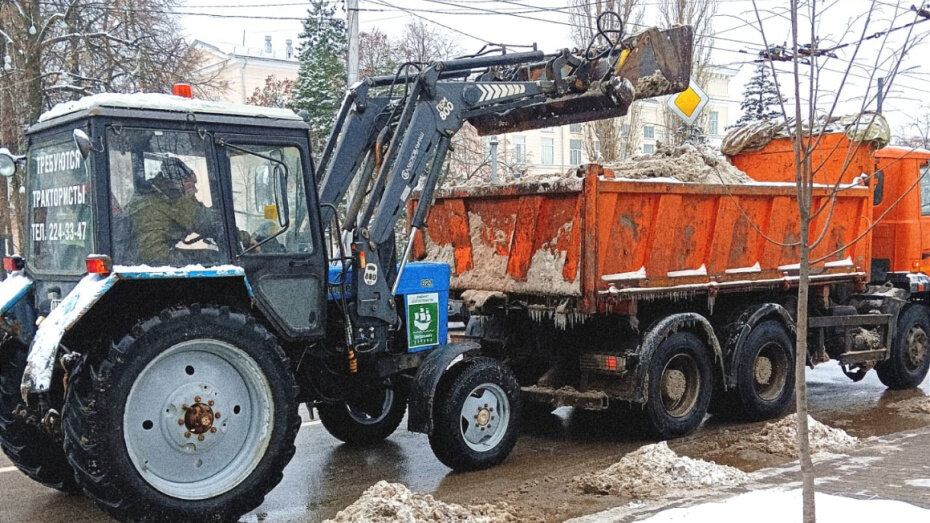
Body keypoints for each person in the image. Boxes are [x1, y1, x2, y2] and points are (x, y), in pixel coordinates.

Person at [125, 157, 218, 265]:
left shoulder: (157, 195)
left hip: (139, 261)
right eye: (192, 182)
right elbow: (209, 222)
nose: (195, 189)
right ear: (181, 182)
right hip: (152, 263)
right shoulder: (174, 201)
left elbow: (208, 220)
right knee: (212, 258)